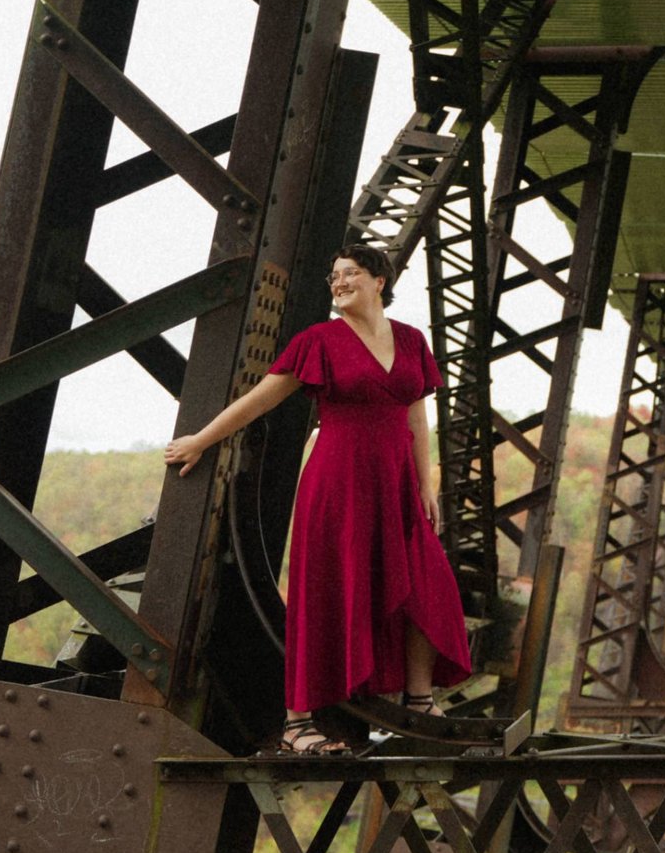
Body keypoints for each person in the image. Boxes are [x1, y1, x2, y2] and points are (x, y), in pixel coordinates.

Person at [162, 242, 471, 755]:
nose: (339, 282)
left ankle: (418, 702)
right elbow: (261, 398)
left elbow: (417, 417)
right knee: (324, 591)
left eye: (350, 273)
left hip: (395, 484)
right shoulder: (319, 341)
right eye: (334, 275)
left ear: (379, 282)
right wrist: (202, 439)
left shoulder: (413, 342)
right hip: (338, 482)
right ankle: (298, 722)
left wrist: (425, 484)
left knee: (426, 585)